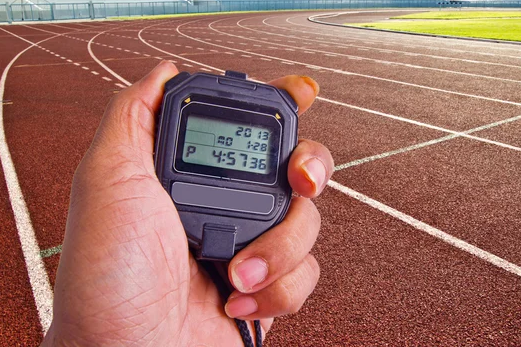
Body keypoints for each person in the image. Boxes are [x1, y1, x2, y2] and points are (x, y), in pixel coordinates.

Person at [41, 61, 333, 346]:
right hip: (198, 256)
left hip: (220, 240)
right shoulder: (267, 108)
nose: (230, 156)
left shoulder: (187, 95)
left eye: (251, 148)